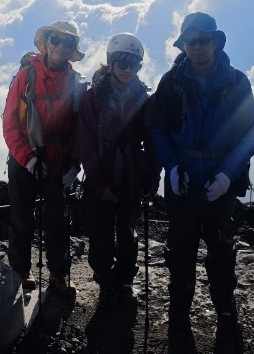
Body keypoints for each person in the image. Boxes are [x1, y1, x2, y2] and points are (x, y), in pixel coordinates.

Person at [147, 12, 254, 354]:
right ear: (184, 45)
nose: (196, 47)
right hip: (182, 182)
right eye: (190, 42)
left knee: (221, 252)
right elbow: (158, 128)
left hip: (217, 182)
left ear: (216, 42)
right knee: (180, 252)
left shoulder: (237, 83)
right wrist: (172, 166)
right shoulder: (171, 82)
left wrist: (227, 175)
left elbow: (247, 134)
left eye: (203, 40)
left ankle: (226, 315)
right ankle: (179, 315)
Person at [76, 33, 159, 310]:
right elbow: (85, 143)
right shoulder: (92, 99)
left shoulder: (145, 100)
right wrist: (99, 185)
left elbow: (151, 141)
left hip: (131, 178)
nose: (127, 68)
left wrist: (151, 178)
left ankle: (123, 281)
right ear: (111, 62)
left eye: (133, 63)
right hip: (101, 176)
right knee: (100, 235)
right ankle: (105, 280)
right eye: (122, 61)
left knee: (126, 233)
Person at [3, 19, 85, 295]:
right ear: (47, 42)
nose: (61, 46)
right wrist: (27, 158)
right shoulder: (26, 76)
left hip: (58, 160)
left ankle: (58, 275)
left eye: (68, 42)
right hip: (24, 156)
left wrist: (75, 163)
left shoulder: (75, 83)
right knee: (21, 218)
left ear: (73, 47)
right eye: (56, 40)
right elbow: (10, 123)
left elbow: (78, 128)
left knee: (58, 221)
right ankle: (20, 272)